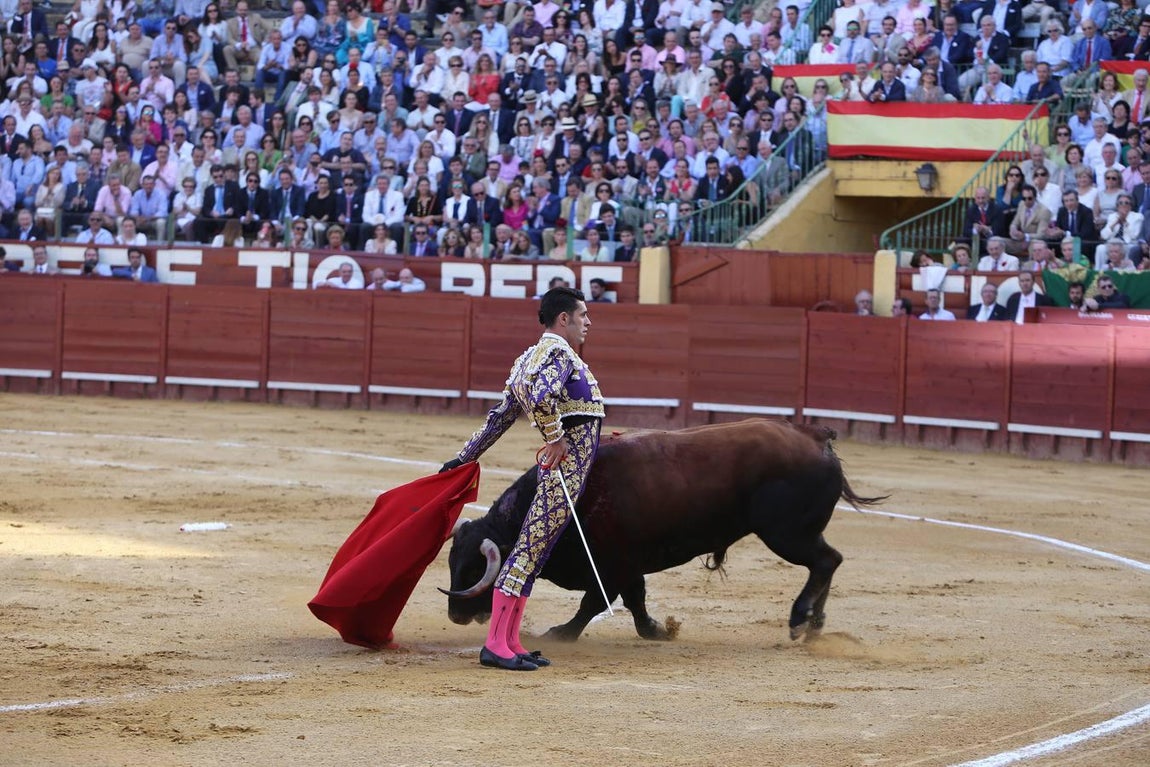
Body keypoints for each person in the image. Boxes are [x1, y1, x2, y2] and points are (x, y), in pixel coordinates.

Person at [440, 286, 603, 671]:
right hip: (564, 471)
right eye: (583, 315)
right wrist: (556, 438)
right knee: (528, 553)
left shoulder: (529, 357)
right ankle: (496, 644)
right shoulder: (559, 354)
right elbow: (542, 397)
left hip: (563, 472)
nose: (588, 322)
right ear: (563, 319)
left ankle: (511, 641)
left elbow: (501, 416)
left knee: (533, 553)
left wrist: (465, 456)